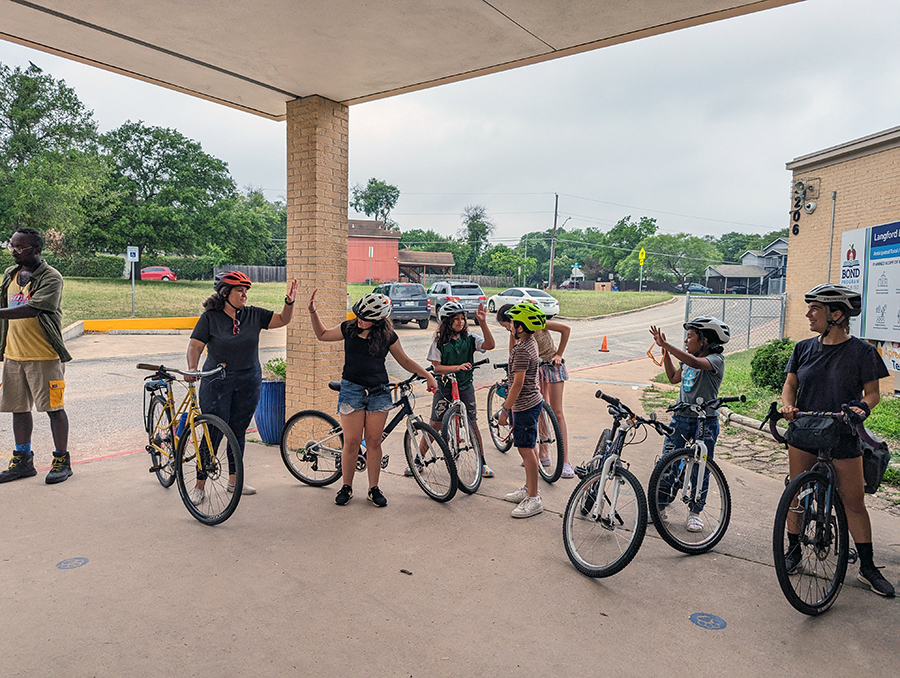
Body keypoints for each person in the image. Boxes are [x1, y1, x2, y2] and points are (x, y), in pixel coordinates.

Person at [780, 283, 894, 597]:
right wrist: (788, 405)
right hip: (805, 429)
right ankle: (793, 550)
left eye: (815, 309)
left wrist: (863, 407)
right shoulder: (803, 348)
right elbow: (790, 384)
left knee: (853, 502)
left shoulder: (863, 352)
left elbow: (873, 394)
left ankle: (868, 568)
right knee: (795, 494)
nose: (808, 314)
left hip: (843, 432)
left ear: (836, 314)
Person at [309, 289, 437, 507]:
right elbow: (322, 335)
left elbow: (405, 361)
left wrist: (428, 376)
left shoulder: (387, 336)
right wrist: (313, 311)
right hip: (352, 390)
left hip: (378, 392)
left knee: (374, 442)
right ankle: (346, 486)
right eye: (359, 315)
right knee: (351, 442)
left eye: (365, 318)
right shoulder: (349, 328)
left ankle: (373, 488)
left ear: (378, 321)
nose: (359, 320)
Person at [186, 271, 298, 504]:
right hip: (217, 381)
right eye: (239, 290)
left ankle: (234, 481)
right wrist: (193, 368)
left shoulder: (253, 315)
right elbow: (195, 345)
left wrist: (289, 303)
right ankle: (199, 485)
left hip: (248, 380)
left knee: (238, 431)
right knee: (213, 432)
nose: (244, 294)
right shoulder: (210, 318)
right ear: (225, 293)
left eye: (246, 290)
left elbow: (282, 320)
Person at [0, 228, 73, 485]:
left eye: (20, 248)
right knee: (18, 409)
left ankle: (62, 460)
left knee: (54, 409)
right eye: (12, 246)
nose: (14, 251)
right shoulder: (11, 274)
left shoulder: (51, 277)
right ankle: (23, 460)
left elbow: (33, 309)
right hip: (14, 354)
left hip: (44, 355)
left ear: (37, 250)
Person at [649, 316, 730, 533]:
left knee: (700, 466)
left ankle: (695, 512)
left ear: (704, 340)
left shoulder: (715, 360)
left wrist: (667, 345)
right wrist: (665, 351)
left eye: (690, 337)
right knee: (667, 461)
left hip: (705, 421)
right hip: (681, 417)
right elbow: (672, 377)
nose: (686, 341)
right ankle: (660, 505)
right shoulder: (687, 360)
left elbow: (696, 363)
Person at [416, 300, 495, 478]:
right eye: (456, 319)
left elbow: (490, 345)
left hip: (465, 386)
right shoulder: (439, 342)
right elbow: (437, 368)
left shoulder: (470, 338)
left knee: (472, 423)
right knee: (435, 424)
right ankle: (418, 459)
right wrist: (457, 367)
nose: (461, 322)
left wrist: (483, 323)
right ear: (446, 322)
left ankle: (482, 461)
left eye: (463, 318)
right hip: (444, 387)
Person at [497, 301, 546, 518]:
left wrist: (505, 409)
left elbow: (517, 384)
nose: (510, 326)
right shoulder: (530, 342)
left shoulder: (522, 351)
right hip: (531, 402)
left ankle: (534, 498)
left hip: (524, 405)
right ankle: (529, 488)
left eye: (513, 323)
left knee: (526, 450)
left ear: (520, 327)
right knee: (529, 448)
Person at [534, 317, 574, 478]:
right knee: (540, 410)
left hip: (552, 365)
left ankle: (565, 461)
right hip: (536, 368)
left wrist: (559, 354)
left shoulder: (539, 322)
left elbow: (566, 329)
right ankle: (543, 454)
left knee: (557, 412)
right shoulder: (517, 328)